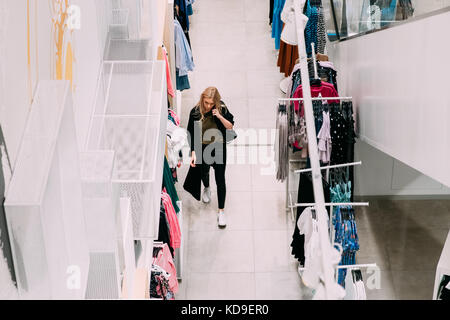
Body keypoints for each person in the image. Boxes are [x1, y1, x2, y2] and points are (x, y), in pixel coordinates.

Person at [183, 87, 235, 228]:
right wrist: (193, 152)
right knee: (204, 172)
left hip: (218, 148)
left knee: (220, 179)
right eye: (206, 102)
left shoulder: (221, 108)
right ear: (202, 99)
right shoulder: (195, 112)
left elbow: (230, 127)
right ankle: (206, 187)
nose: (208, 106)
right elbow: (191, 133)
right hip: (202, 148)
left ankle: (221, 211)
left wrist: (219, 116)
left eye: (211, 103)